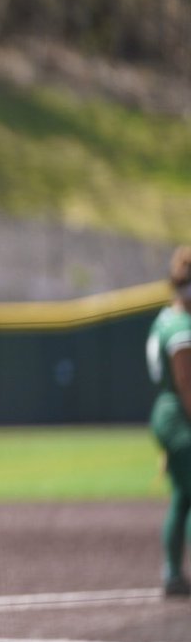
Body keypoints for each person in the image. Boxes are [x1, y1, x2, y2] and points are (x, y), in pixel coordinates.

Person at [145, 246, 191, 599]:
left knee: (184, 494)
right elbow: (187, 385)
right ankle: (172, 572)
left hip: (169, 412)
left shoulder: (166, 317)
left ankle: (173, 573)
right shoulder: (180, 326)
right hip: (179, 414)